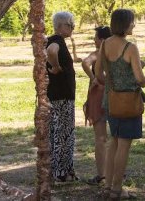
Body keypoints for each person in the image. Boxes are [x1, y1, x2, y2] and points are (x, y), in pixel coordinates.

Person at [98, 9, 145, 199]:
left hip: (110, 100)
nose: (134, 25)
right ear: (126, 24)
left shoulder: (104, 45)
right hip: (128, 103)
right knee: (124, 145)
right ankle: (117, 189)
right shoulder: (130, 48)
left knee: (114, 143)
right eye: (132, 22)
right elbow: (140, 79)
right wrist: (140, 73)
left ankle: (108, 185)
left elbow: (98, 72)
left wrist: (113, 83)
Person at [45, 11, 78, 182]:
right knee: (63, 134)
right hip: (62, 97)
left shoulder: (56, 40)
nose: (72, 27)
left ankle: (61, 170)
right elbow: (51, 51)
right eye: (69, 24)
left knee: (58, 133)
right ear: (60, 26)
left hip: (58, 95)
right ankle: (61, 172)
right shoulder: (56, 41)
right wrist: (56, 67)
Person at [81, 26, 111, 186]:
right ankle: (114, 171)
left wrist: (94, 78)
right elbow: (141, 64)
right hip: (115, 96)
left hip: (98, 96)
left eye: (96, 37)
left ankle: (102, 175)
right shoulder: (118, 50)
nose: (94, 40)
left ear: (102, 39)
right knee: (117, 138)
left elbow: (85, 63)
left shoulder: (98, 53)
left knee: (100, 137)